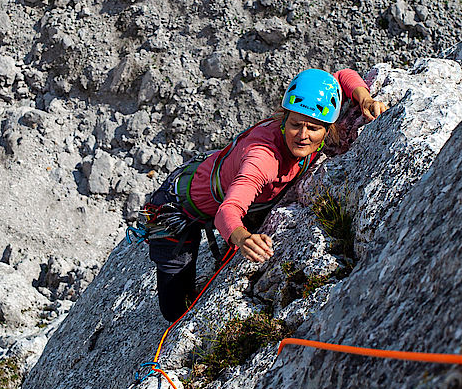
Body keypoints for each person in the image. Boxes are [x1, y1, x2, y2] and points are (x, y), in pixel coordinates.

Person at [140, 68, 388, 322]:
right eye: (295, 125)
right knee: (174, 310)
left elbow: (341, 75)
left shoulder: (313, 105)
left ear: (328, 127)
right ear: (284, 120)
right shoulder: (263, 160)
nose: (302, 135)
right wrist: (243, 238)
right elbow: (228, 211)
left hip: (209, 177)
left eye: (313, 128)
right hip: (176, 209)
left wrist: (364, 98)